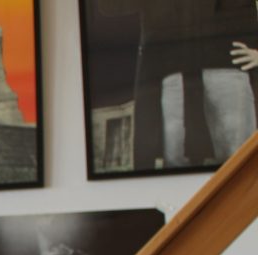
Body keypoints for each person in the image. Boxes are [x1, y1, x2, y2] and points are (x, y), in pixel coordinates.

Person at [96, 0, 258, 169]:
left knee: (241, 160)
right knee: (176, 159)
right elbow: (110, 5)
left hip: (226, 70)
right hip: (175, 72)